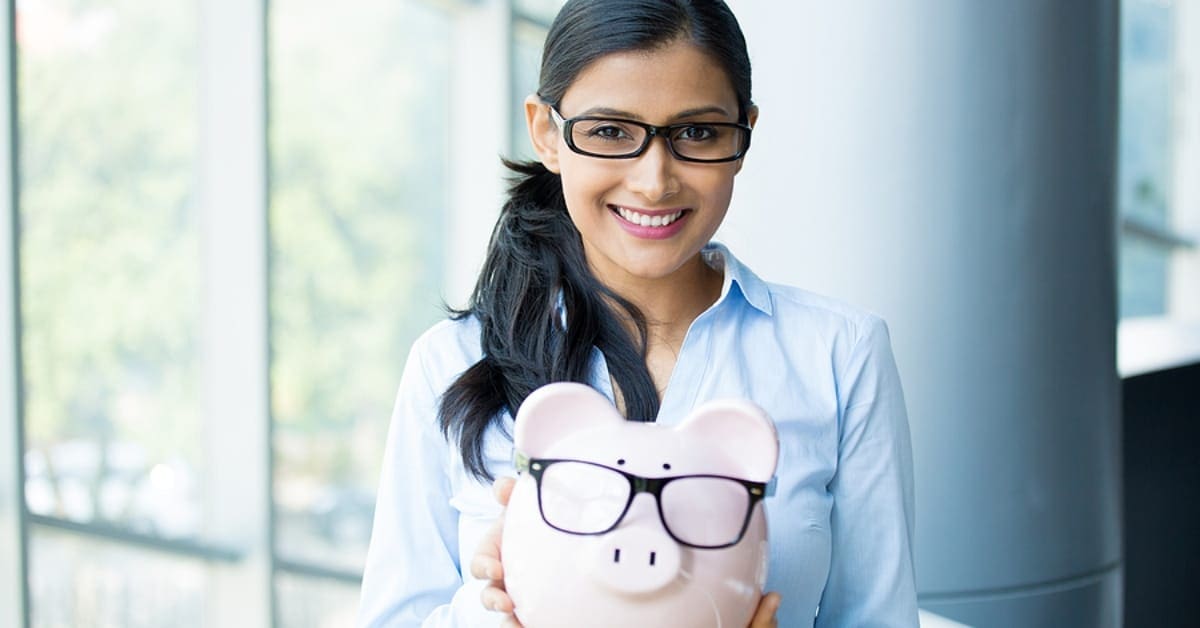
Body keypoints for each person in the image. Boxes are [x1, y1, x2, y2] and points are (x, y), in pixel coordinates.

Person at [357, 0, 917, 626]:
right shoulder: (452, 362)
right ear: (546, 131)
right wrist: (498, 602)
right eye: (609, 132)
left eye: (698, 133)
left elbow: (877, 619)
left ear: (743, 135)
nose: (654, 182)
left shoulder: (840, 355)